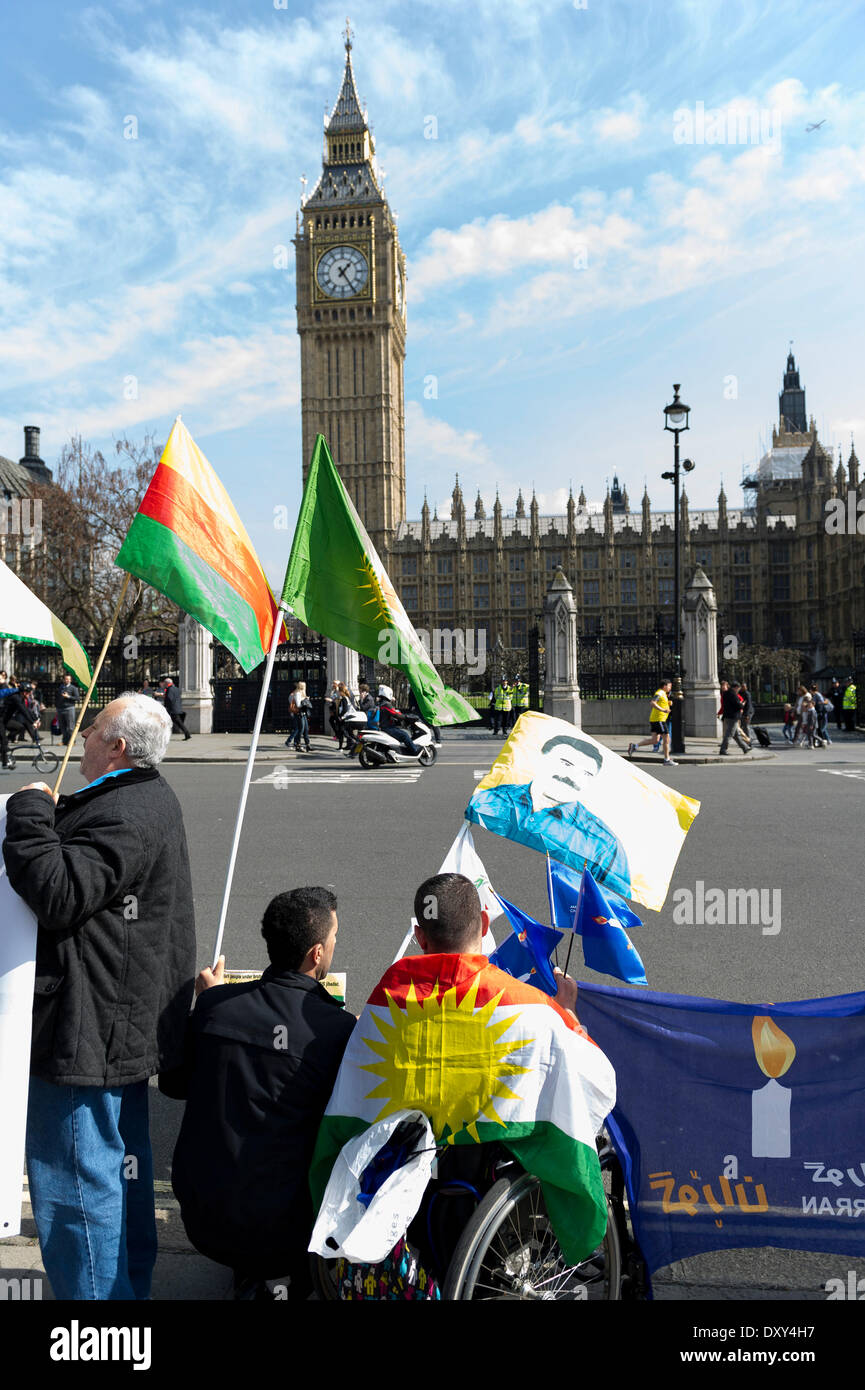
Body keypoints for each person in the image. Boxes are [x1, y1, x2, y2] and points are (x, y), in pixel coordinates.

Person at [309, 873, 616, 1287]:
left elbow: (352, 1099)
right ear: (486, 925)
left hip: (408, 1180)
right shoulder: (531, 1007)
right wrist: (568, 1013)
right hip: (489, 1178)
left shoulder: (388, 997)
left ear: (420, 936)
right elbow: (595, 1078)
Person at [1, 693, 196, 1300]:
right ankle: (124, 1297)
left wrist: (30, 810)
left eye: (95, 728)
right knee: (115, 1174)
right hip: (117, 1019)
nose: (82, 733)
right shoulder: (139, 795)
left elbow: (58, 891)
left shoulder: (127, 811)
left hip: (89, 1028)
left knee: (77, 1189)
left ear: (117, 747)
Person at [164, 887, 355, 1302]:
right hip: (283, 1233)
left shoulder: (216, 1006)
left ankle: (256, 1273)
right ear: (317, 954)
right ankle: (284, 1279)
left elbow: (174, 1084)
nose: (337, 943)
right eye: (335, 936)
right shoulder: (336, 1031)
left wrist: (206, 1004)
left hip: (203, 1218)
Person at [467, 733, 629, 889]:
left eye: (585, 773)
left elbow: (611, 901)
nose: (571, 776)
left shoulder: (604, 842)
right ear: (541, 759)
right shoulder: (490, 798)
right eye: (566, 763)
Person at [628, 678, 675, 765]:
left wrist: (668, 704)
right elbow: (653, 702)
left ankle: (634, 746)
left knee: (655, 740)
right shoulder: (659, 693)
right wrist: (663, 710)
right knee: (667, 739)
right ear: (664, 686)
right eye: (669, 686)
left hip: (655, 719)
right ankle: (667, 760)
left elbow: (660, 703)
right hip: (659, 719)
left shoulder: (663, 693)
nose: (670, 688)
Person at [376, 684, 421, 757]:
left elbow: (391, 713)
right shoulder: (386, 704)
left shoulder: (381, 703)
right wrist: (406, 717)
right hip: (388, 728)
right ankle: (414, 750)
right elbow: (396, 715)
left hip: (383, 727)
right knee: (405, 735)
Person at [718, 680, 751, 756]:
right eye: (738, 688)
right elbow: (738, 705)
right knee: (729, 734)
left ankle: (745, 747)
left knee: (736, 735)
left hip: (727, 716)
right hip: (733, 717)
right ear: (735, 688)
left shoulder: (725, 694)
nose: (738, 690)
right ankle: (723, 749)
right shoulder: (733, 694)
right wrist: (742, 704)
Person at [286, 681, 312, 753]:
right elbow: (298, 705)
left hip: (303, 713)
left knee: (306, 729)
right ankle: (298, 745)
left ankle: (308, 745)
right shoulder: (297, 693)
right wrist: (305, 702)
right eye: (304, 686)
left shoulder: (302, 693)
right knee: (300, 729)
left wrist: (306, 700)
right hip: (299, 713)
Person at [55, 672, 80, 746]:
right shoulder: (61, 687)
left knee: (70, 727)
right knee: (62, 726)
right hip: (60, 709)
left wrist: (68, 696)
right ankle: (64, 741)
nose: (67, 680)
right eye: (66, 679)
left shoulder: (73, 688)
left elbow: (77, 698)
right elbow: (57, 697)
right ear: (63, 680)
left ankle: (72, 741)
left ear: (71, 680)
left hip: (69, 708)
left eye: (69, 679)